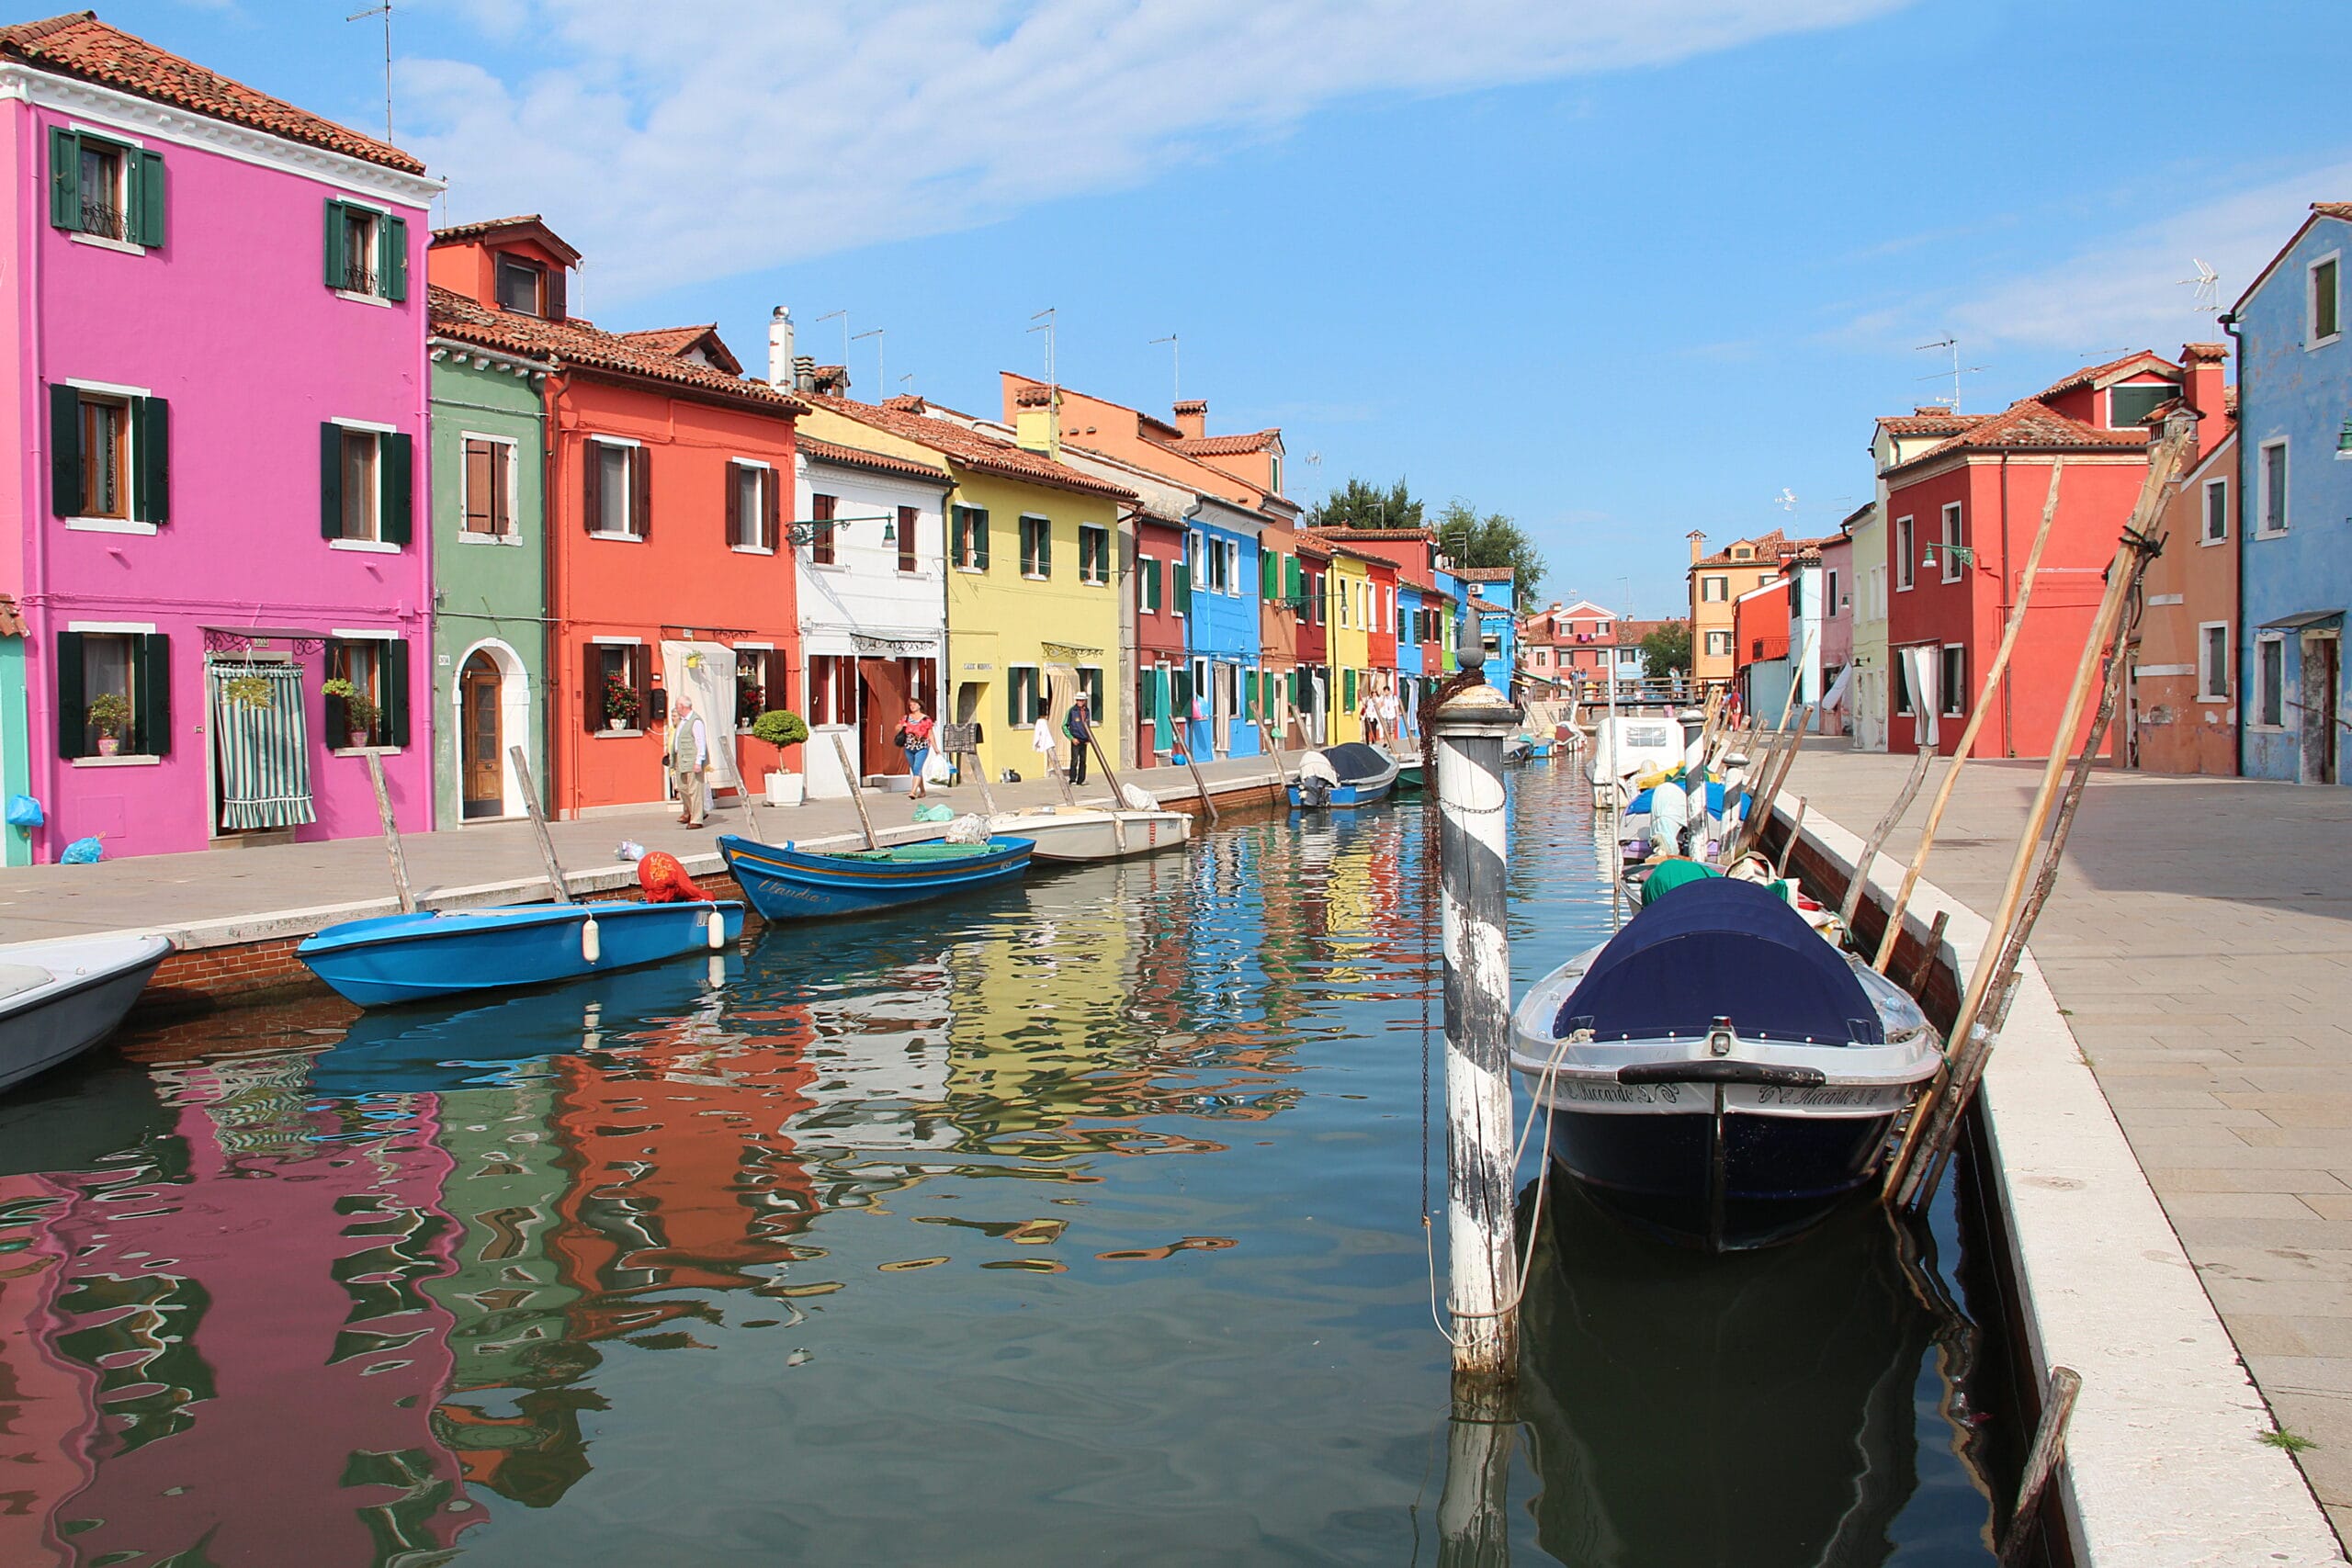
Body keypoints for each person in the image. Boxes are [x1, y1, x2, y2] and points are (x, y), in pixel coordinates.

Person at [668, 695, 708, 829]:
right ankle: (697, 812)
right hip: (681, 759)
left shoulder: (695, 721)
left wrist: (699, 762)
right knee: (683, 788)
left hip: (692, 760)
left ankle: (697, 819)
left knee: (695, 789)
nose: (676, 708)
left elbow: (700, 742)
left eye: (677, 705)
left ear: (682, 706)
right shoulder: (682, 721)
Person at [895, 700, 936, 799]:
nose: (912, 706)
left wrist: (935, 748)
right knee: (915, 769)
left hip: (922, 747)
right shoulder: (906, 718)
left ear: (919, 705)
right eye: (910, 705)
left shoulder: (926, 719)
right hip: (909, 747)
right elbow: (896, 728)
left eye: (914, 704)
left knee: (917, 768)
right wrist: (901, 726)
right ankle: (922, 791)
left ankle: (913, 792)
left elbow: (930, 735)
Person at [1064, 691, 1093, 785]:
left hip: (1084, 740)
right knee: (1074, 760)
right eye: (1078, 700)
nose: (1079, 702)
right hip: (1075, 739)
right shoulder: (1072, 711)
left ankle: (1081, 779)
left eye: (1081, 700)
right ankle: (1072, 779)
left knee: (1083, 760)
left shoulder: (1087, 711)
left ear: (1084, 701)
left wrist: (1088, 738)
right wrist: (1071, 738)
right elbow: (1064, 726)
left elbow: (1087, 725)